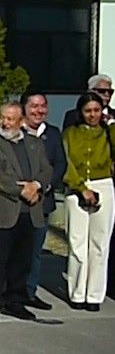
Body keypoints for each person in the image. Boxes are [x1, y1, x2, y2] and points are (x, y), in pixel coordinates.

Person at [0, 101, 53, 322]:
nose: (4, 122)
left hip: (29, 212)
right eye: (2, 117)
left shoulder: (34, 143)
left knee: (22, 261)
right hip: (2, 211)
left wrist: (37, 185)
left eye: (10, 119)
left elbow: (46, 168)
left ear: (21, 122)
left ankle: (15, 301)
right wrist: (23, 189)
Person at [62, 92, 114, 312]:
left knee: (99, 243)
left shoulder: (107, 132)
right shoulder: (70, 134)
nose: (92, 115)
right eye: (88, 110)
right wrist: (81, 188)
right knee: (77, 243)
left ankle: (94, 295)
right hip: (77, 187)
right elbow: (66, 163)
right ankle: (77, 292)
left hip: (104, 184)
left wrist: (111, 124)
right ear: (80, 112)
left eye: (96, 110)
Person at [20, 92, 66, 310]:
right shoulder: (14, 132)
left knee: (35, 251)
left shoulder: (53, 134)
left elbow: (60, 165)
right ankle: (8, 292)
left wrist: (41, 186)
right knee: (14, 250)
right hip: (17, 200)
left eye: (43, 106)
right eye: (34, 106)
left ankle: (29, 291)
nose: (39, 111)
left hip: (42, 200)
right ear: (24, 108)